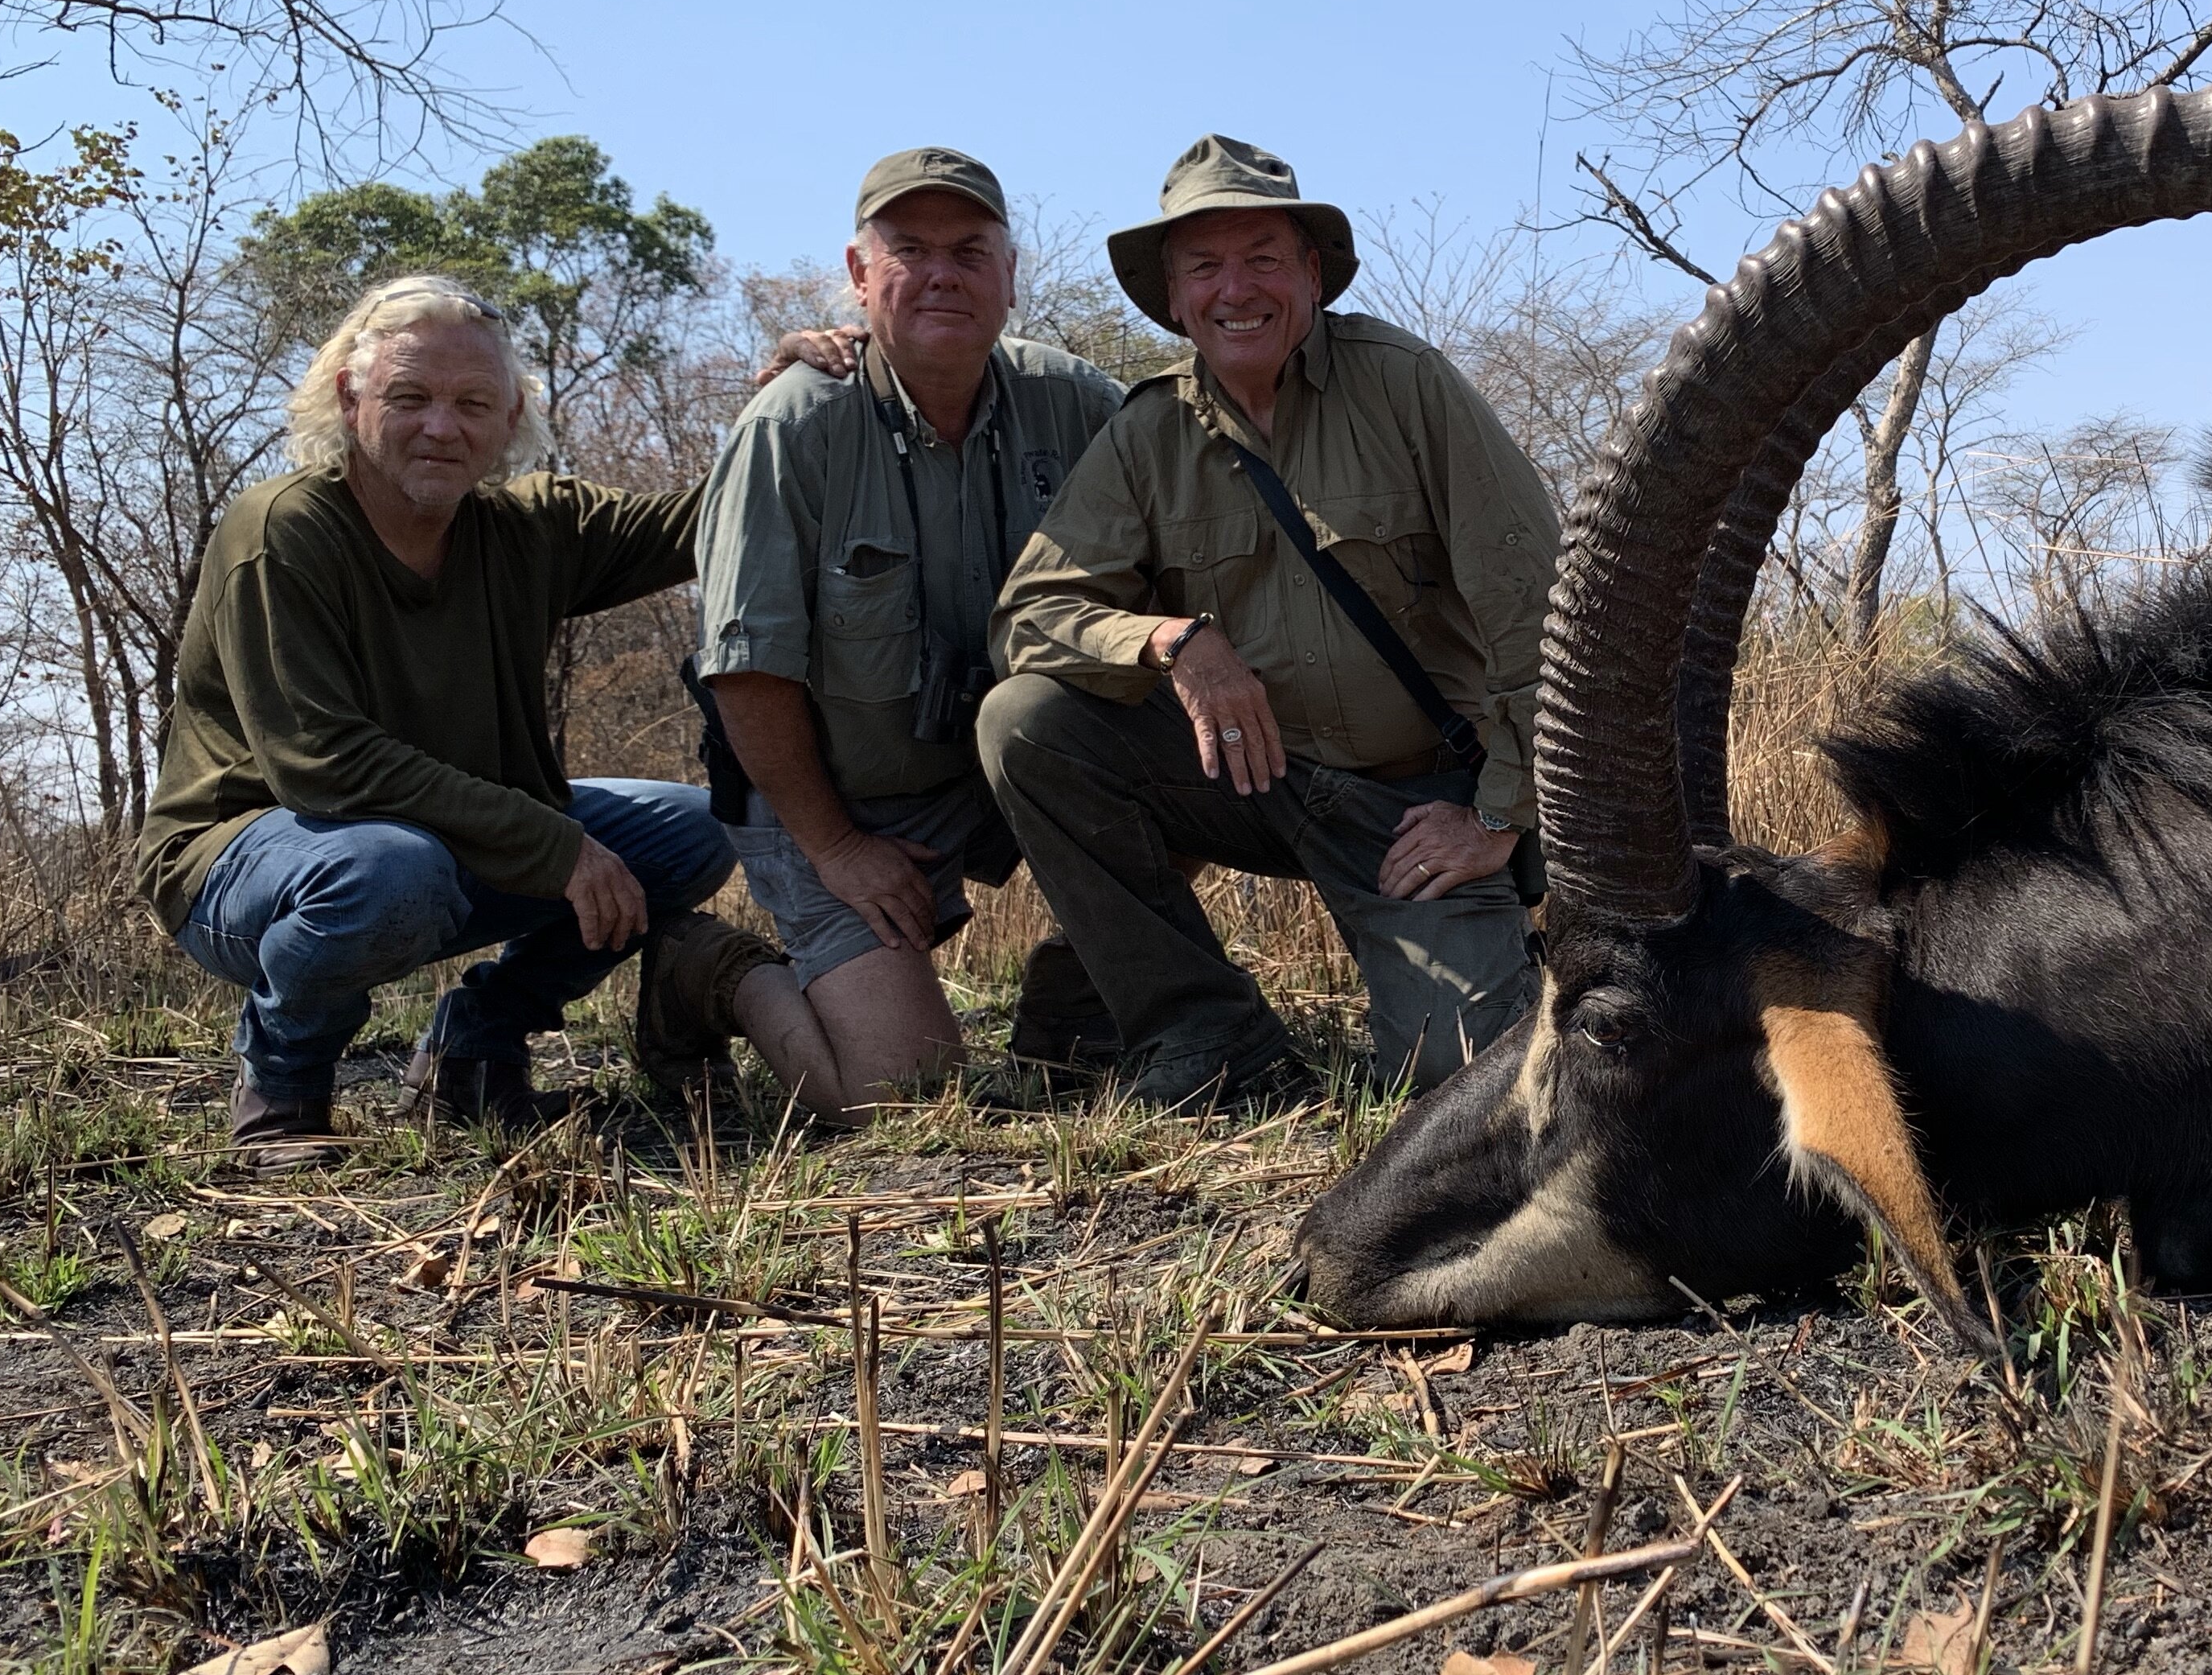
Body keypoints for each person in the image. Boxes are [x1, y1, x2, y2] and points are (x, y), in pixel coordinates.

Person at [976, 135, 1557, 1107]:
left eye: (1262, 259)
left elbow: (1543, 609)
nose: (1234, 290)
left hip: (1412, 809)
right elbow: (1030, 618)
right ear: (1172, 295)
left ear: (1313, 274)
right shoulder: (1145, 432)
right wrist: (1170, 640)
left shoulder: (1406, 384)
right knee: (1025, 722)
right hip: (1256, 781)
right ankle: (1204, 1032)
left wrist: (1500, 812)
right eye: (1204, 266)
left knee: (1467, 1081)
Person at [138, 275, 750, 1165]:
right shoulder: (280, 528)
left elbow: (712, 523)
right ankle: (281, 1085)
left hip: (443, 843)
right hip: (253, 859)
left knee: (690, 833)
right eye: (410, 397)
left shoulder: (530, 528)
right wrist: (557, 845)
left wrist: (780, 403)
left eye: (472, 403)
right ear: (350, 401)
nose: (441, 426)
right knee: (387, 870)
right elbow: (324, 766)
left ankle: (473, 1045)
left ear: (510, 420)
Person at [683, 147, 1122, 1119]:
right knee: (902, 1090)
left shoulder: (1081, 403)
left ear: (1011, 274)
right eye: (908, 248)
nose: (942, 273)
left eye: (971, 250)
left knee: (1195, 750)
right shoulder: (791, 424)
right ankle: (713, 970)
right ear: (857, 273)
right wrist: (837, 846)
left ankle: (1077, 996)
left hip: (996, 773)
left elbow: (1208, 473)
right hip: (827, 796)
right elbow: (747, 674)